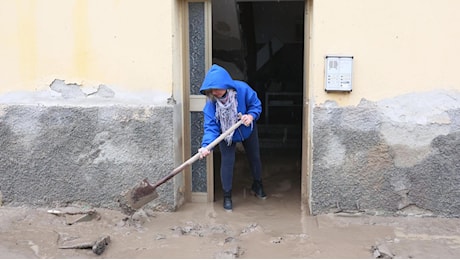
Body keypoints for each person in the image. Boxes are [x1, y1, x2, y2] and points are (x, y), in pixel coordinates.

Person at [198, 64, 267, 212]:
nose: (214, 92)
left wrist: (251, 116)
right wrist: (206, 146)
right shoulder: (211, 103)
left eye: (217, 88)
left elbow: (256, 105)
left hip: (246, 128)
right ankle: (227, 196)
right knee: (227, 162)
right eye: (212, 90)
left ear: (226, 84)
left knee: (254, 157)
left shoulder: (242, 89)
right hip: (226, 134)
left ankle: (257, 184)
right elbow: (211, 127)